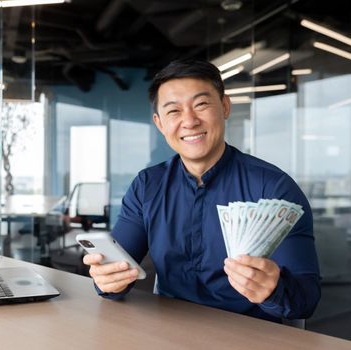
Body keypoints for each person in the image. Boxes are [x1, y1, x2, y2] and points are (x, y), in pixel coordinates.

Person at [82, 59, 321, 323]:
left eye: (201, 104)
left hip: (250, 334)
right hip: (170, 331)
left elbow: (306, 300)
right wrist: (107, 281)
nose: (190, 121)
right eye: (173, 111)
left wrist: (273, 291)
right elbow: (117, 269)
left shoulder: (274, 188)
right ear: (160, 123)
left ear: (225, 107)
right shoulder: (147, 185)